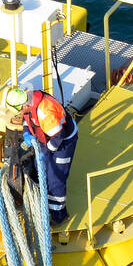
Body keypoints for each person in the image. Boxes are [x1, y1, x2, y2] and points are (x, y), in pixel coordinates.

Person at [21, 89, 78, 225]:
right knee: (40, 169)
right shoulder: (27, 103)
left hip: (64, 142)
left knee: (55, 178)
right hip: (46, 137)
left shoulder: (45, 112)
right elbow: (26, 118)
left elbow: (59, 136)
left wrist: (45, 152)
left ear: (26, 105)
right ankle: (42, 203)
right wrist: (26, 132)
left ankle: (59, 215)